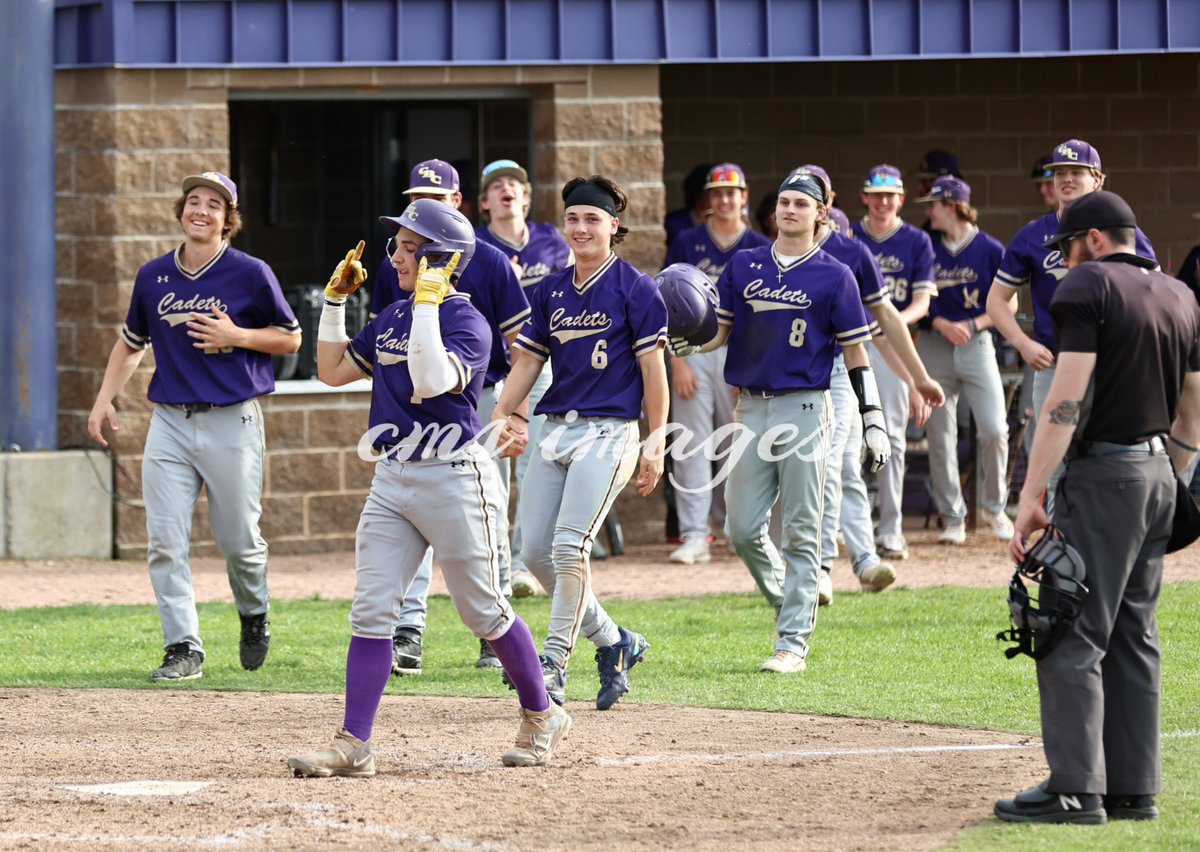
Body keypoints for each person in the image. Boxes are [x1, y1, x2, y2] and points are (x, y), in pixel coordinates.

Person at [288, 201, 568, 775]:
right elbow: (332, 370)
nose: (395, 256)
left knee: (484, 611)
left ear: (443, 259)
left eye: (410, 247)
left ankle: (542, 713)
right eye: (398, 245)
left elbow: (431, 378)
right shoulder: (393, 314)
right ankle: (353, 743)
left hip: (454, 478)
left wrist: (426, 304)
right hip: (392, 476)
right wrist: (335, 303)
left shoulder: (467, 321)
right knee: (370, 611)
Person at [996, 190, 1200, 824]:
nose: (1064, 260)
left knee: (1070, 630)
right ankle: (1133, 789)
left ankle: (1074, 789)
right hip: (1159, 473)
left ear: (1088, 240)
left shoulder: (1086, 285)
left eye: (1068, 248)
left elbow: (1066, 399)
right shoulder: (1179, 294)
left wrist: (1031, 495)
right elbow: (1194, 405)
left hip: (1105, 474)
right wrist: (1172, 471)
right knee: (1134, 632)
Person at [87, 171, 301, 681]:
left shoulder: (250, 272)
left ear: (229, 220)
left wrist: (238, 334)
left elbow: (290, 338)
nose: (201, 211)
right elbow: (132, 343)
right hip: (171, 422)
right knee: (164, 540)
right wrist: (103, 400)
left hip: (233, 420)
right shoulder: (154, 275)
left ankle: (254, 614)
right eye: (193, 202)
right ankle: (183, 646)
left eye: (214, 205)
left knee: (239, 542)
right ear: (181, 211)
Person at [672, 170, 888, 673]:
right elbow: (718, 333)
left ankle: (792, 641)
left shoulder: (836, 274)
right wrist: (682, 344)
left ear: (821, 213)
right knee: (741, 528)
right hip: (751, 405)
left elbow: (856, 353)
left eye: (801, 203)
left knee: (802, 528)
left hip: (807, 407)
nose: (789, 210)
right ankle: (790, 597)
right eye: (784, 202)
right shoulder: (744, 265)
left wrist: (872, 417)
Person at [491, 175, 669, 710]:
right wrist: (504, 414)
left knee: (570, 547)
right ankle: (616, 641)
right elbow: (526, 363)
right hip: (554, 429)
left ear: (614, 227)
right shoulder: (548, 290)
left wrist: (656, 441)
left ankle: (553, 664)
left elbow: (654, 374)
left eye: (592, 219)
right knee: (535, 554)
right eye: (572, 218)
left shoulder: (637, 288)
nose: (581, 227)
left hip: (609, 431)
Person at [369, 159, 530, 673]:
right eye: (419, 198)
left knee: (485, 514)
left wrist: (516, 412)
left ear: (459, 203)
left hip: (479, 396)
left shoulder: (488, 260)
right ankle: (409, 631)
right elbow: (383, 338)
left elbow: (521, 344)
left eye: (438, 198)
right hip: (414, 401)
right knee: (408, 511)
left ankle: (492, 630)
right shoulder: (398, 258)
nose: (427, 207)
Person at [794, 165, 944, 607]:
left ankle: (852, 561)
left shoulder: (852, 252)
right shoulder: (773, 254)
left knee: (840, 462)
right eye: (792, 196)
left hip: (839, 370)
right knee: (816, 470)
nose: (800, 205)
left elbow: (884, 323)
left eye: (810, 196)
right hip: (791, 380)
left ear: (827, 203)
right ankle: (820, 564)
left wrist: (916, 377)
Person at [987, 139, 1156, 517]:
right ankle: (1058, 543)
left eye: (1076, 172)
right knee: (1053, 459)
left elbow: (1155, 293)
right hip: (1056, 362)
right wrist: (1023, 343)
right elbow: (995, 301)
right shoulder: (1033, 234)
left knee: (1117, 451)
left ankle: (1113, 534)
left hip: (1113, 366)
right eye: (1059, 173)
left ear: (1097, 179)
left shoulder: (1121, 229)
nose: (1066, 179)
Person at [663, 163, 771, 564]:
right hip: (691, 349)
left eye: (732, 193)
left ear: (744, 197)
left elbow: (763, 311)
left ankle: (738, 529)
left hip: (738, 352)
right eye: (717, 193)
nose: (724, 200)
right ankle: (695, 534)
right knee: (690, 443)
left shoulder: (759, 244)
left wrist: (752, 366)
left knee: (738, 445)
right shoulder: (688, 241)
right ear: (708, 199)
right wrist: (677, 361)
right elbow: (668, 302)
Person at [475, 158, 574, 598]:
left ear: (527, 196)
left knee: (534, 469)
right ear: (483, 202)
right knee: (491, 472)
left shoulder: (552, 241)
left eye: (514, 183)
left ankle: (521, 565)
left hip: (539, 367)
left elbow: (573, 293)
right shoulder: (475, 246)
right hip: (489, 371)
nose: (506, 190)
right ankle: (491, 566)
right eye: (497, 186)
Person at [913, 176, 1014, 543]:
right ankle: (952, 516)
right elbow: (917, 299)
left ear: (952, 205)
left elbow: (1010, 303)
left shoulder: (989, 248)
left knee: (994, 429)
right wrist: (940, 321)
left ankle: (995, 508)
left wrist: (972, 323)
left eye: (934, 204)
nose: (929, 211)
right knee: (940, 435)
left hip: (976, 343)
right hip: (935, 344)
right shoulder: (926, 246)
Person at [852, 165, 937, 561]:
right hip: (847, 345)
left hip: (893, 346)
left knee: (892, 441)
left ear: (901, 199)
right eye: (876, 194)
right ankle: (843, 530)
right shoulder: (848, 236)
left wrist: (887, 321)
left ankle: (891, 529)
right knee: (844, 442)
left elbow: (921, 303)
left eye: (891, 195)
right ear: (865, 197)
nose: (883, 202)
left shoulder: (916, 240)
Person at [664, 162, 716, 250]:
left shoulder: (728, 224)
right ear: (699, 193)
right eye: (715, 192)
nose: (723, 200)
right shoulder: (673, 225)